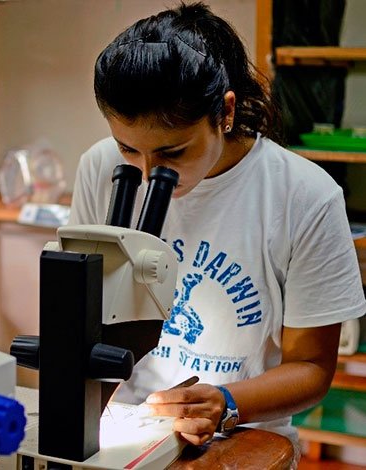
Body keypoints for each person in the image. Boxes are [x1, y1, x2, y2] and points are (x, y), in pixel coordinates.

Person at [69, 1, 366, 453]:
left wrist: (225, 403)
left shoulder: (304, 196)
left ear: (225, 113)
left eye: (172, 154)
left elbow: (311, 369)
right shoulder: (101, 169)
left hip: (243, 437)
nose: (148, 175)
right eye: (128, 149)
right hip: (126, 426)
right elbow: (81, 317)